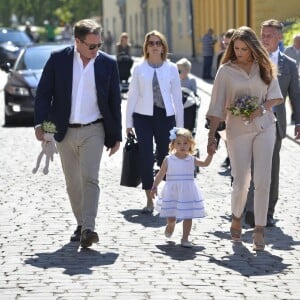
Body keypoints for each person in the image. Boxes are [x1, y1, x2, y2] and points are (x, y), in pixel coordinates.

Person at [34, 19, 122, 248]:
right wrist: (40, 126)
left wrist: (116, 135)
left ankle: (89, 228)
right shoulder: (58, 59)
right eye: (91, 46)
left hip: (95, 129)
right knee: (73, 182)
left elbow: (114, 101)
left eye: (99, 45)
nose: (96, 50)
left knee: (90, 178)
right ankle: (81, 224)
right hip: (64, 131)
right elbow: (44, 94)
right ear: (77, 42)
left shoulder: (108, 64)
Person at [206, 26, 283, 251]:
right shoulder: (225, 71)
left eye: (244, 49)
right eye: (236, 48)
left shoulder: (264, 65)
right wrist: (211, 136)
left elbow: (275, 97)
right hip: (237, 129)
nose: (239, 52)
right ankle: (236, 217)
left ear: (252, 48)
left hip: (264, 126)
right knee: (241, 180)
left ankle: (259, 229)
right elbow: (217, 106)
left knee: (263, 179)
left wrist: (261, 108)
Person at [245, 19, 300, 228]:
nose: (264, 39)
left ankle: (267, 211)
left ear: (279, 37)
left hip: (274, 124)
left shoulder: (289, 65)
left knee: (270, 169)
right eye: (263, 34)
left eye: (269, 35)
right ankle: (247, 208)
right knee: (247, 167)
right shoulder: (250, 60)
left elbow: (295, 94)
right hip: (248, 122)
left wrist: (299, 121)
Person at [126, 30, 184, 214]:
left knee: (165, 156)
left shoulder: (171, 68)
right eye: (151, 43)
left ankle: (167, 197)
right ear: (146, 46)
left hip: (165, 116)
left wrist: (181, 127)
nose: (155, 46)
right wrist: (128, 123)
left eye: (158, 43)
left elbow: (177, 98)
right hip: (142, 117)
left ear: (163, 46)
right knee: (145, 155)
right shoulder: (139, 68)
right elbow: (132, 96)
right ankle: (149, 200)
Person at [150, 127, 213, 248]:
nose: (182, 146)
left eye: (185, 143)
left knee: (188, 215)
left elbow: (205, 164)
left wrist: (210, 154)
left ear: (190, 144)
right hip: (172, 191)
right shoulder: (169, 159)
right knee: (171, 216)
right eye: (178, 143)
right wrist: (154, 186)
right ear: (173, 144)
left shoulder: (191, 159)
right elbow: (161, 174)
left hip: (188, 191)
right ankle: (171, 224)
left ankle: (185, 238)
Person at [215, 28, 235, 168]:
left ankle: (235, 156)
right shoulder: (220, 57)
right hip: (225, 100)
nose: (226, 47)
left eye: (229, 44)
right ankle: (229, 155)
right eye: (225, 43)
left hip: (239, 100)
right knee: (224, 130)